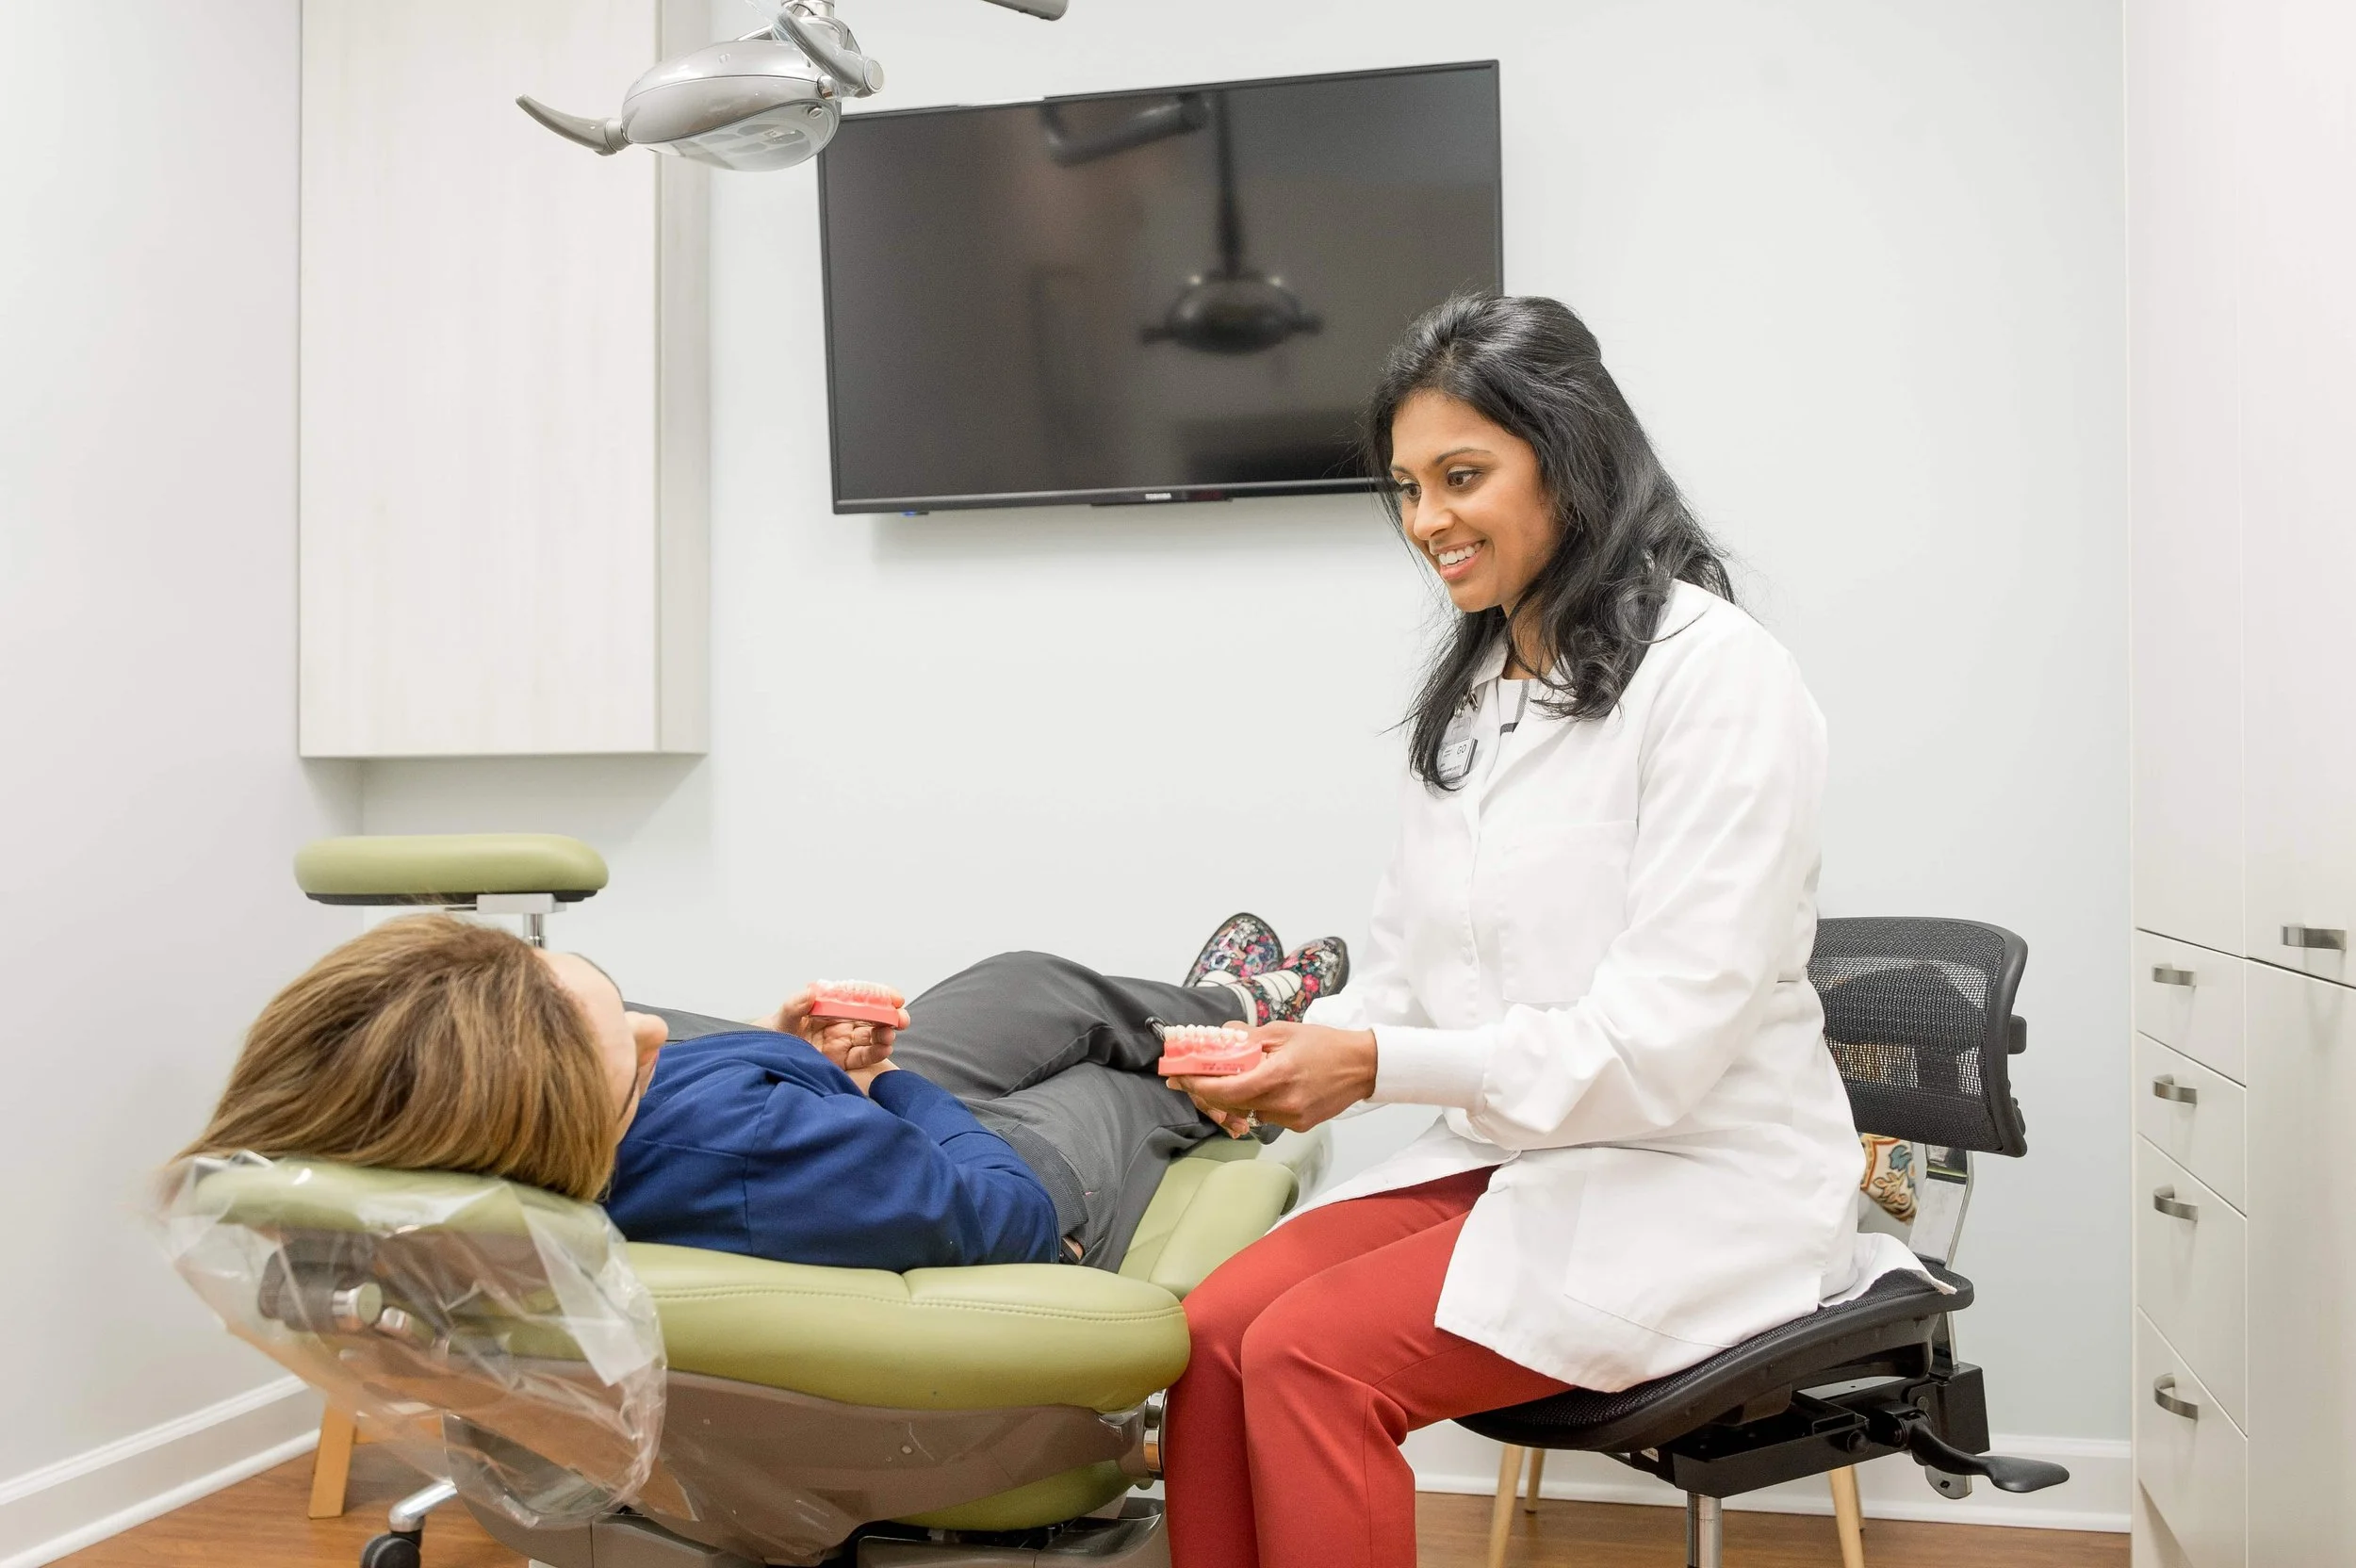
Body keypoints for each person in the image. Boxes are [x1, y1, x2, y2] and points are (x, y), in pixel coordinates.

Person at [1160, 294, 1925, 1568]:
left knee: (1307, 1357)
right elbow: (1408, 975)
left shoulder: (1718, 680)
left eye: (1463, 476)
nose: (1425, 521)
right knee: (1218, 1327)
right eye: (1407, 487)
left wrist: (1375, 1070)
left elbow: (1659, 1049)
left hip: (1695, 1174)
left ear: (1571, 462)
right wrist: (1294, 1054)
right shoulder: (1473, 701)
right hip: (1528, 1155)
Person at [177, 912, 1347, 1274]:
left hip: (846, 1121)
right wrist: (883, 1093)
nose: (647, 1028)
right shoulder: (748, 1153)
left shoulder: (545, 1123)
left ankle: (1226, 1010)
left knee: (1023, 981)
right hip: (1006, 1175)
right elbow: (1009, 1214)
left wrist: (785, 1054)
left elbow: (708, 1094)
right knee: (1105, 1077)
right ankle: (1227, 1058)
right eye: (624, 1049)